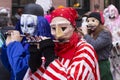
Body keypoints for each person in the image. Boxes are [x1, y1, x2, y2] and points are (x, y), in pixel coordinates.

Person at [23, 7, 100, 80]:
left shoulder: (85, 50)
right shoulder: (55, 48)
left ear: (73, 27)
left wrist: (50, 58)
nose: (58, 34)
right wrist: (35, 64)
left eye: (63, 28)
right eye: (53, 28)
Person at [0, 3, 55, 80]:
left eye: (29, 26)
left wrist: (14, 45)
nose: (25, 30)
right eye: (22, 25)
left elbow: (20, 70)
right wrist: (7, 47)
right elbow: (9, 66)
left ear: (40, 25)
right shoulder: (22, 42)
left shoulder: (43, 45)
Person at [79, 12, 113, 80]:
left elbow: (94, 46)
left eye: (93, 20)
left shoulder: (105, 33)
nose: (90, 23)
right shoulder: (92, 32)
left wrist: (85, 34)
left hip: (102, 64)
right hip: (92, 63)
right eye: (88, 21)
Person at [103, 4, 120, 80]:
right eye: (110, 11)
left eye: (113, 11)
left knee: (118, 65)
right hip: (109, 45)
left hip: (118, 46)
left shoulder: (119, 19)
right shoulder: (107, 21)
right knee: (111, 65)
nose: (112, 13)